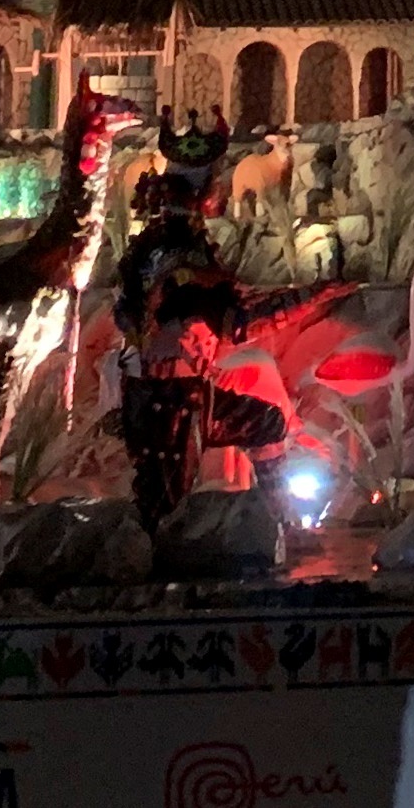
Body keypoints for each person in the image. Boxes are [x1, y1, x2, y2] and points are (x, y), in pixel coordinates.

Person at [112, 116, 287, 529]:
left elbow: (126, 311)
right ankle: (271, 523)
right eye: (216, 180)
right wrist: (308, 298)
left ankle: (274, 519)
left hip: (156, 390)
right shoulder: (182, 253)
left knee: (265, 420)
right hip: (174, 398)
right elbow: (233, 321)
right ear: (204, 189)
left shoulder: (152, 244)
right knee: (166, 508)